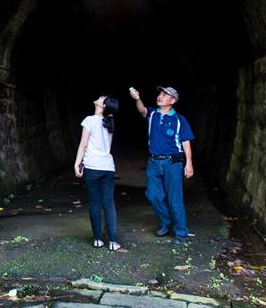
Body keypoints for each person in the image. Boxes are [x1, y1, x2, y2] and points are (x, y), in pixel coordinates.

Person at [128, 86, 194, 245]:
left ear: (173, 101)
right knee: (153, 195)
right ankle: (166, 221)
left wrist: (189, 164)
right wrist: (137, 98)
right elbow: (142, 110)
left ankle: (181, 231)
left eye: (165, 95)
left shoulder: (179, 119)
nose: (160, 96)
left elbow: (186, 142)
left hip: (173, 161)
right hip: (154, 161)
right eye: (160, 94)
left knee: (174, 198)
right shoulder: (152, 114)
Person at [74, 95, 121, 251]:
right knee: (108, 203)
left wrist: (77, 163)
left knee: (94, 202)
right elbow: (108, 146)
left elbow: (83, 145)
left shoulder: (90, 120)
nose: (100, 97)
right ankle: (113, 242)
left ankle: (97, 240)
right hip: (108, 167)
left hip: (92, 167)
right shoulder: (110, 122)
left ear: (102, 105)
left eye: (103, 98)